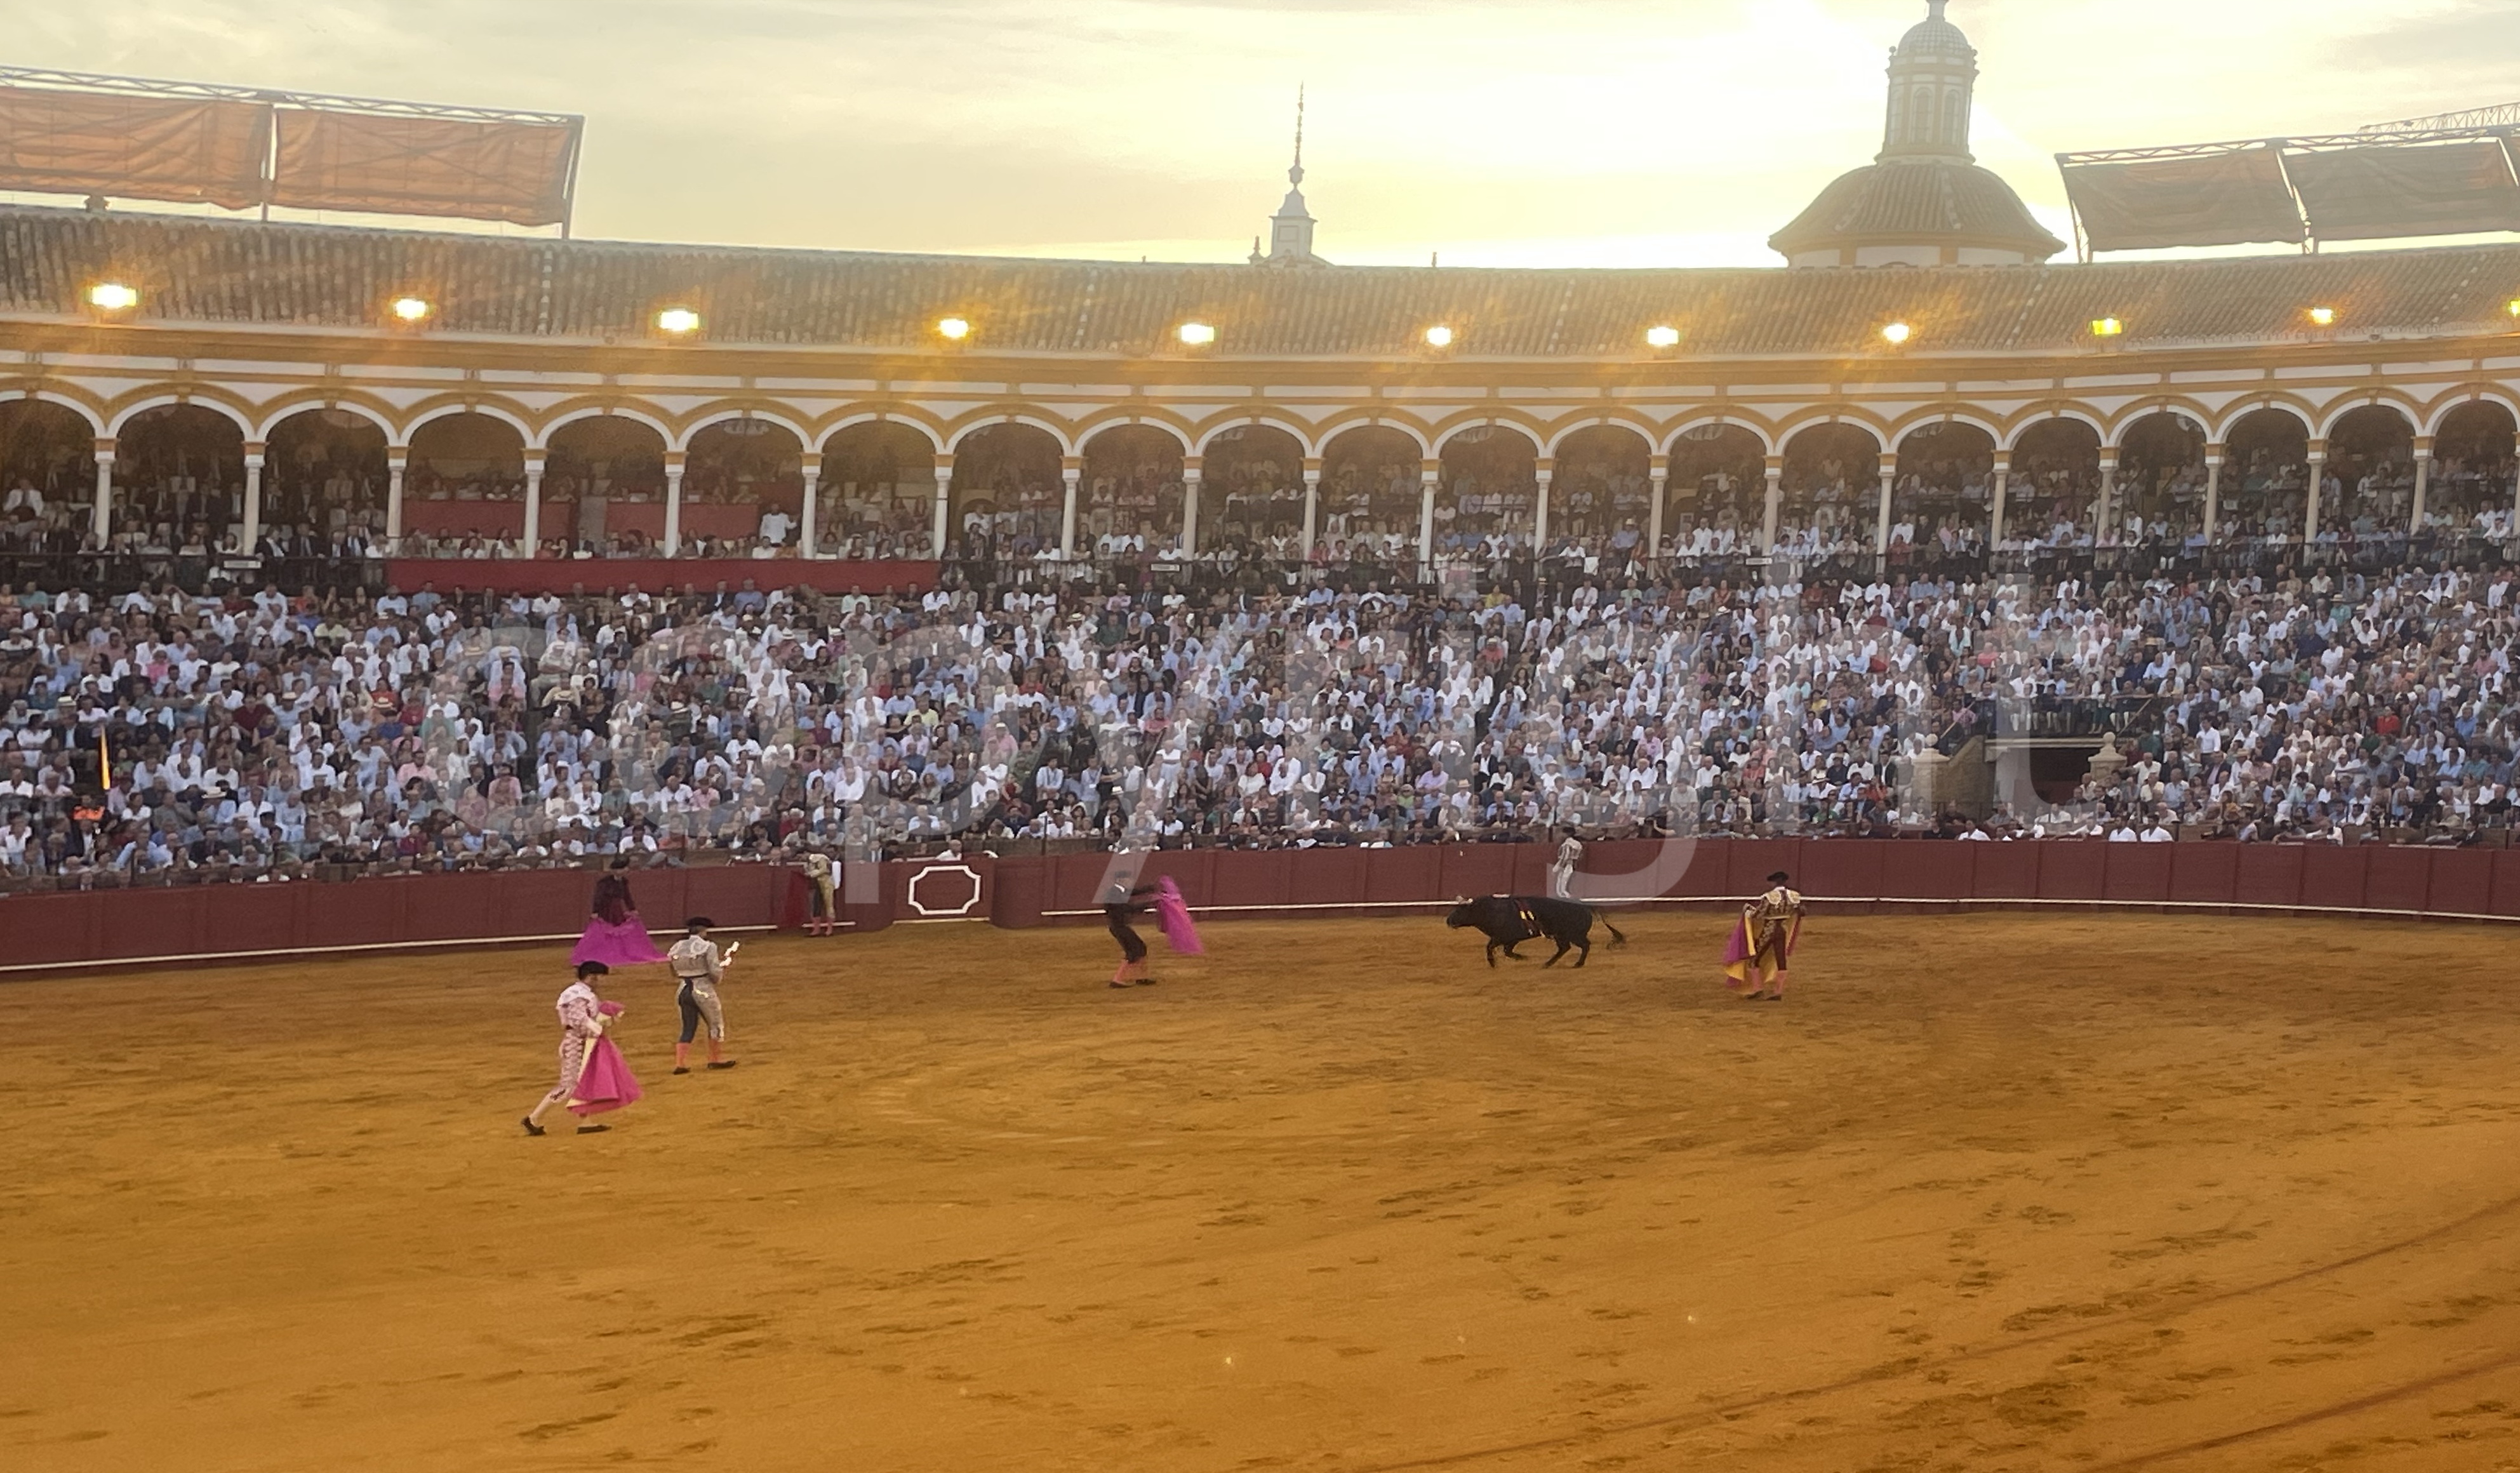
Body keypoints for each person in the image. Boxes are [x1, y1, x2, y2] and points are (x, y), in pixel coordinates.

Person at [523, 961, 620, 1136]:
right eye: (599, 978)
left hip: (579, 1041)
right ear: (591, 977)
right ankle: (533, 1119)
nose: (600, 982)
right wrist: (599, 1028)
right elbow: (579, 1020)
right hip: (578, 1042)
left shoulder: (578, 993)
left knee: (583, 1082)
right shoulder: (577, 995)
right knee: (568, 1086)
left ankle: (586, 1122)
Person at [1723, 870, 1805, 1002]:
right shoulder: (1794, 896)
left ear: (1774, 882)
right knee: (1781, 961)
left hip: (1769, 930)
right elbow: (1801, 912)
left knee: (1754, 960)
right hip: (1783, 930)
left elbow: (1759, 914)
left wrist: (1748, 911)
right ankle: (1778, 992)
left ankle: (1758, 990)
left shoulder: (1769, 896)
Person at [667, 916, 736, 1073]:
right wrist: (716, 980)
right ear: (703, 931)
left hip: (683, 988)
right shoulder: (708, 946)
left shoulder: (676, 947)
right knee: (715, 1025)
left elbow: (672, 970)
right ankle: (715, 1060)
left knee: (688, 1027)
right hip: (703, 988)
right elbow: (714, 970)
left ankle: (680, 1064)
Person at [571, 861, 666, 967]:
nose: (626, 870)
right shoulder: (604, 882)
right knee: (606, 930)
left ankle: (615, 952)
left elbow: (626, 896)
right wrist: (596, 911)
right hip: (606, 908)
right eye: (624, 868)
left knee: (616, 929)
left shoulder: (623, 881)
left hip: (617, 909)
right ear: (616, 870)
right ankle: (604, 953)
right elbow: (599, 897)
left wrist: (632, 909)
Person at [1102, 878, 1163, 989]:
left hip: (1121, 926)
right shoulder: (1114, 893)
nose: (1130, 882)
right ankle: (1117, 980)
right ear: (1120, 880)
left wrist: (1149, 889)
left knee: (1141, 949)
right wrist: (1147, 904)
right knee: (1134, 953)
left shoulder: (1119, 890)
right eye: (1127, 880)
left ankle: (1141, 977)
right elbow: (1126, 908)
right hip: (1119, 927)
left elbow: (1133, 892)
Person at [803, 851, 838, 937]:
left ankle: (829, 930)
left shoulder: (820, 858)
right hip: (816, 885)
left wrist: (811, 874)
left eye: (802, 854)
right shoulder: (808, 863)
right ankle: (816, 929)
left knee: (829, 905)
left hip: (826, 883)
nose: (802, 857)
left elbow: (824, 870)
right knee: (816, 906)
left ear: (807, 853)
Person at [1550, 830, 1585, 900]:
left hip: (1566, 864)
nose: (1560, 835)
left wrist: (1561, 866)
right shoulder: (1577, 844)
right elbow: (1580, 856)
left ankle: (1563, 893)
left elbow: (1566, 857)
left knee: (1562, 878)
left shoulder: (1567, 844)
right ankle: (1563, 893)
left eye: (1562, 833)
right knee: (1564, 878)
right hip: (1571, 863)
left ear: (1567, 834)